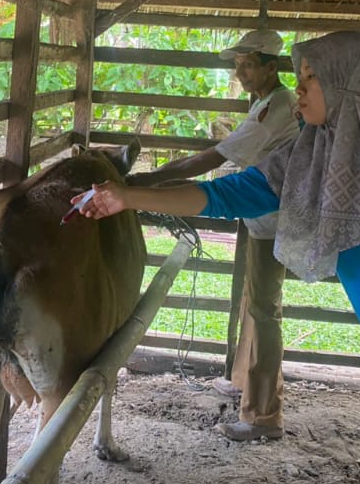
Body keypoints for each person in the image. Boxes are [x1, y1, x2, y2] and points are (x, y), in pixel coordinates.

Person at [74, 31, 360, 484]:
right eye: (300, 75)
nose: (300, 86)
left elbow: (215, 162)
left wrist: (136, 185)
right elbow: (225, 194)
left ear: (348, 86)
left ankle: (263, 412)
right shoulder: (312, 152)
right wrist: (126, 198)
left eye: (313, 77)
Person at [126, 27, 298, 440]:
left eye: (248, 65)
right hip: (262, 214)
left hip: (273, 218)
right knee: (255, 302)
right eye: (238, 64)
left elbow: (214, 157)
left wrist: (153, 179)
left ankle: (262, 416)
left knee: (263, 309)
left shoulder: (275, 106)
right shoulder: (265, 101)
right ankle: (245, 383)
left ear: (271, 67)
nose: (240, 72)